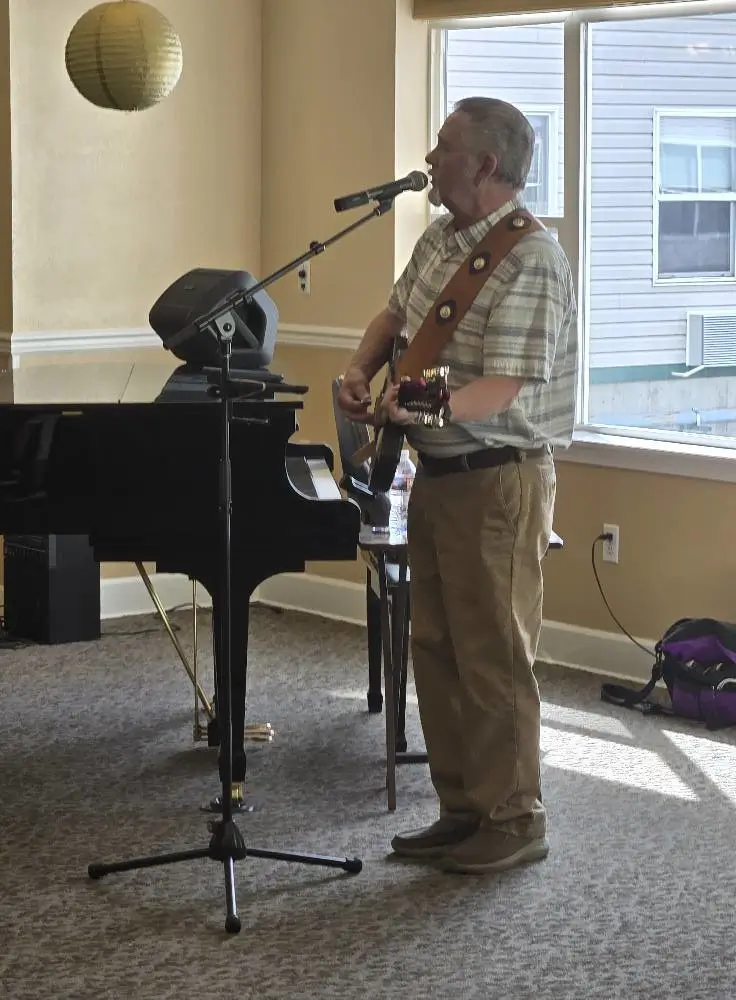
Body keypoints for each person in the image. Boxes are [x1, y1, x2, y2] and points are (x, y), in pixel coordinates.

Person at [337, 96, 578, 875]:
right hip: (437, 474)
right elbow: (394, 316)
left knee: (493, 654)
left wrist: (424, 404)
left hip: (497, 479)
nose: (429, 159)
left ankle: (515, 819)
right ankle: (463, 809)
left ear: (485, 165)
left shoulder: (531, 258)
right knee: (436, 648)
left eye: (443, 147)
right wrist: (359, 369)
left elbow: (505, 385)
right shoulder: (441, 237)